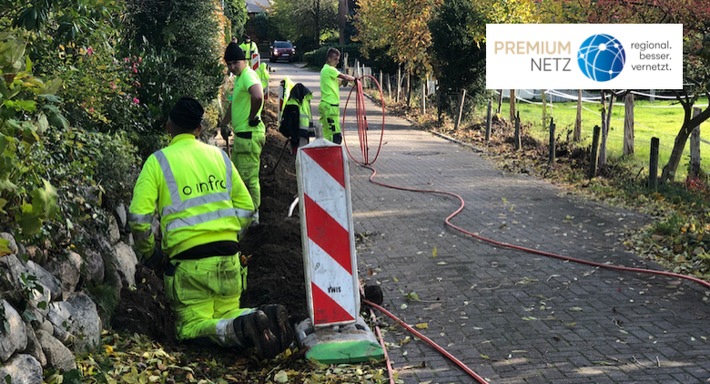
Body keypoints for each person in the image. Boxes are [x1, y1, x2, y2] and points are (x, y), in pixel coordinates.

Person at [128, 97, 293, 359]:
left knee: (190, 327)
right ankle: (259, 318)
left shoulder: (158, 162)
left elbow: (138, 218)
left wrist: (151, 254)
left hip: (188, 268)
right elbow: (247, 207)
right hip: (229, 263)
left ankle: (242, 328)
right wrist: (230, 235)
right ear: (198, 129)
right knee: (226, 313)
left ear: (168, 127)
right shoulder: (219, 157)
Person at [218, 42, 265, 224]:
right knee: (238, 176)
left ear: (243, 61)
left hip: (249, 136)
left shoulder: (248, 76)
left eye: (234, 63)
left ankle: (253, 215)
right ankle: (244, 212)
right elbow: (234, 105)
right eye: (229, 64)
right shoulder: (240, 78)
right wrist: (224, 123)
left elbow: (258, 96)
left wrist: (252, 117)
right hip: (242, 137)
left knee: (249, 178)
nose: (231, 67)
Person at [319, 47, 357, 144]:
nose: (337, 62)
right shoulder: (329, 69)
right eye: (335, 59)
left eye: (338, 59)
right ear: (329, 58)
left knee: (327, 134)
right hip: (330, 106)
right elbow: (343, 76)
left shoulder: (326, 70)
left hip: (327, 105)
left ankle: (326, 155)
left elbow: (338, 83)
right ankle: (332, 156)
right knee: (336, 135)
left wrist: (344, 82)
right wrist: (355, 79)